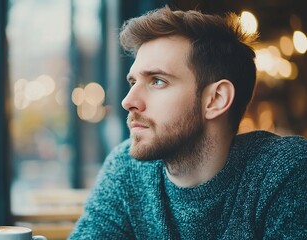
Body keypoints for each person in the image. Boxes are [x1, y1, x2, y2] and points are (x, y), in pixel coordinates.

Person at [68, 6, 307, 239]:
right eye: (133, 82)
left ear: (215, 99)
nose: (128, 101)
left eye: (157, 81)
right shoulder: (126, 169)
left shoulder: (284, 172)